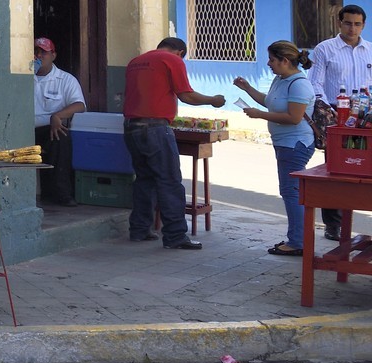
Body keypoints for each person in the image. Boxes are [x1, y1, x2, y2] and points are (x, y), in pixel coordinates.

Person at [122, 37, 226, 251]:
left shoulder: (136, 61)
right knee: (169, 181)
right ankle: (175, 235)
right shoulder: (172, 60)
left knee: (144, 180)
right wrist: (212, 100)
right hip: (155, 128)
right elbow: (186, 95)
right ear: (180, 52)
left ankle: (140, 229)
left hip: (131, 127)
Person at [234, 42, 317, 256]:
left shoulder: (299, 84)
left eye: (272, 59)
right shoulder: (280, 79)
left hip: (295, 143)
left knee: (291, 191)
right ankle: (298, 238)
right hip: (284, 143)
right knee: (290, 190)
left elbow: (294, 117)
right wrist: (248, 89)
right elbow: (270, 101)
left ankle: (298, 241)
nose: (269, 64)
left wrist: (259, 115)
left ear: (285, 61)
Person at [306, 4, 367, 241]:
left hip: (364, 121)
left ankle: (353, 218)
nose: (352, 28)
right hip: (336, 118)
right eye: (348, 23)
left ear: (363, 25)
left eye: (357, 24)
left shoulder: (369, 50)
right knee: (335, 170)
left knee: (360, 169)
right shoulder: (325, 49)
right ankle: (333, 225)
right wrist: (326, 110)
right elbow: (315, 83)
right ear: (339, 23)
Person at [33, 36, 86, 207]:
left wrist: (58, 116)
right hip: (24, 128)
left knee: (61, 138)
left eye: (44, 52)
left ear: (53, 55)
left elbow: (80, 105)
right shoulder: (22, 76)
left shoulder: (65, 79)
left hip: (49, 128)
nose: (39, 56)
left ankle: (62, 194)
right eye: (36, 52)